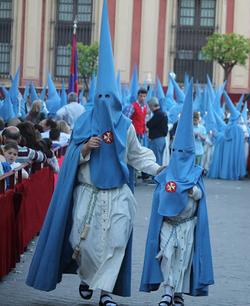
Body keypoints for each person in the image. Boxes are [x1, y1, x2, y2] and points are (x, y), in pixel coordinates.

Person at [26, 2, 162, 305]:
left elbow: (137, 155)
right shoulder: (85, 122)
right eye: (99, 95)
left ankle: (103, 293)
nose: (103, 101)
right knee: (82, 243)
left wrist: (159, 170)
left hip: (117, 194)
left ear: (114, 96)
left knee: (116, 242)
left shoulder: (125, 125)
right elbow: (71, 154)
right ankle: (89, 278)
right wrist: (84, 149)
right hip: (87, 194)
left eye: (108, 96)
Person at [140, 83, 213, 306]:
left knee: (183, 258)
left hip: (187, 224)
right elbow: (160, 195)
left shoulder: (196, 172)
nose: (180, 156)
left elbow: (200, 196)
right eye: (177, 152)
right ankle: (167, 291)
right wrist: (167, 187)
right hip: (168, 223)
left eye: (185, 152)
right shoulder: (166, 172)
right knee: (166, 255)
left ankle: (177, 292)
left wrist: (192, 190)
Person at [146, 97, 168, 166]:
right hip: (162, 139)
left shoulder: (158, 114)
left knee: (156, 159)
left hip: (156, 140)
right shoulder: (163, 113)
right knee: (160, 158)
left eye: (149, 107)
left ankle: (156, 176)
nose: (150, 108)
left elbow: (149, 124)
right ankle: (159, 175)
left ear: (152, 106)